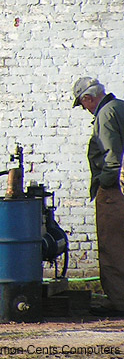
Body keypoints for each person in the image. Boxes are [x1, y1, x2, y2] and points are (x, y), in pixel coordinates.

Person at [72, 77, 124, 315]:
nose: (85, 109)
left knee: (112, 246)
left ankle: (118, 300)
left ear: (88, 98)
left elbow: (111, 155)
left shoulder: (106, 114)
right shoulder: (120, 107)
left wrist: (104, 184)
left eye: (83, 104)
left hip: (114, 191)